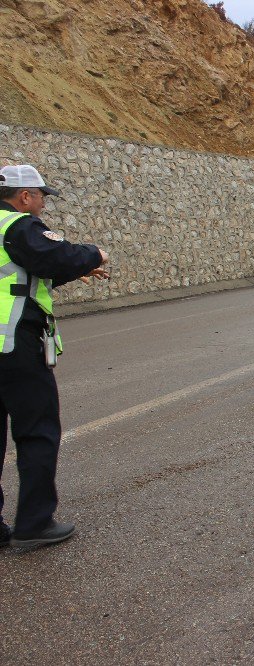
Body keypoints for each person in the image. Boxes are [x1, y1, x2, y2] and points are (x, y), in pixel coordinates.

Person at [0, 164, 109, 549]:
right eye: (42, 195)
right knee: (37, 433)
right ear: (24, 196)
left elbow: (17, 274)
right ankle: (34, 523)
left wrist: (71, 273)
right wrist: (93, 255)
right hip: (14, 347)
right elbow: (56, 253)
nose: (44, 202)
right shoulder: (18, 226)